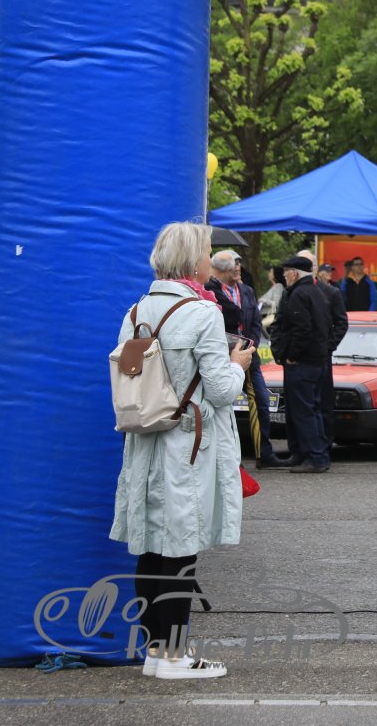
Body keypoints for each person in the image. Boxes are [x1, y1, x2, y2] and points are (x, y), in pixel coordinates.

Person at [114, 221, 247, 680]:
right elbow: (221, 389)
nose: (210, 260)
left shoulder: (137, 311)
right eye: (207, 253)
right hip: (188, 442)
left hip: (146, 437)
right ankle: (174, 656)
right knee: (181, 549)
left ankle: (156, 650)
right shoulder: (203, 312)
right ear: (193, 261)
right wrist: (237, 365)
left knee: (152, 548)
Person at [211, 250, 282, 469]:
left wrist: (250, 346)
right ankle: (232, 459)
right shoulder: (210, 290)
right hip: (224, 357)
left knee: (261, 401)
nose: (238, 268)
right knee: (227, 406)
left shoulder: (247, 291)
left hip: (250, 355)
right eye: (234, 264)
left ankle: (264, 454)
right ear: (224, 269)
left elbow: (256, 322)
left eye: (239, 263)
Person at [269, 255, 331, 473]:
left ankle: (315, 457)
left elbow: (302, 330)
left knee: (304, 412)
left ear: (294, 273)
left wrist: (292, 356)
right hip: (318, 360)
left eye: (286, 272)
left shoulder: (298, 294)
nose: (284, 276)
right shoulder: (317, 292)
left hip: (303, 363)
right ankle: (314, 454)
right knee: (313, 410)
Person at [301, 249, 348, 450]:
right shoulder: (290, 291)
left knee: (323, 402)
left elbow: (342, 323)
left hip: (321, 357)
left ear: (314, 268)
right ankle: (302, 447)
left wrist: (328, 346)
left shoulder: (330, 292)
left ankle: (324, 446)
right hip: (298, 357)